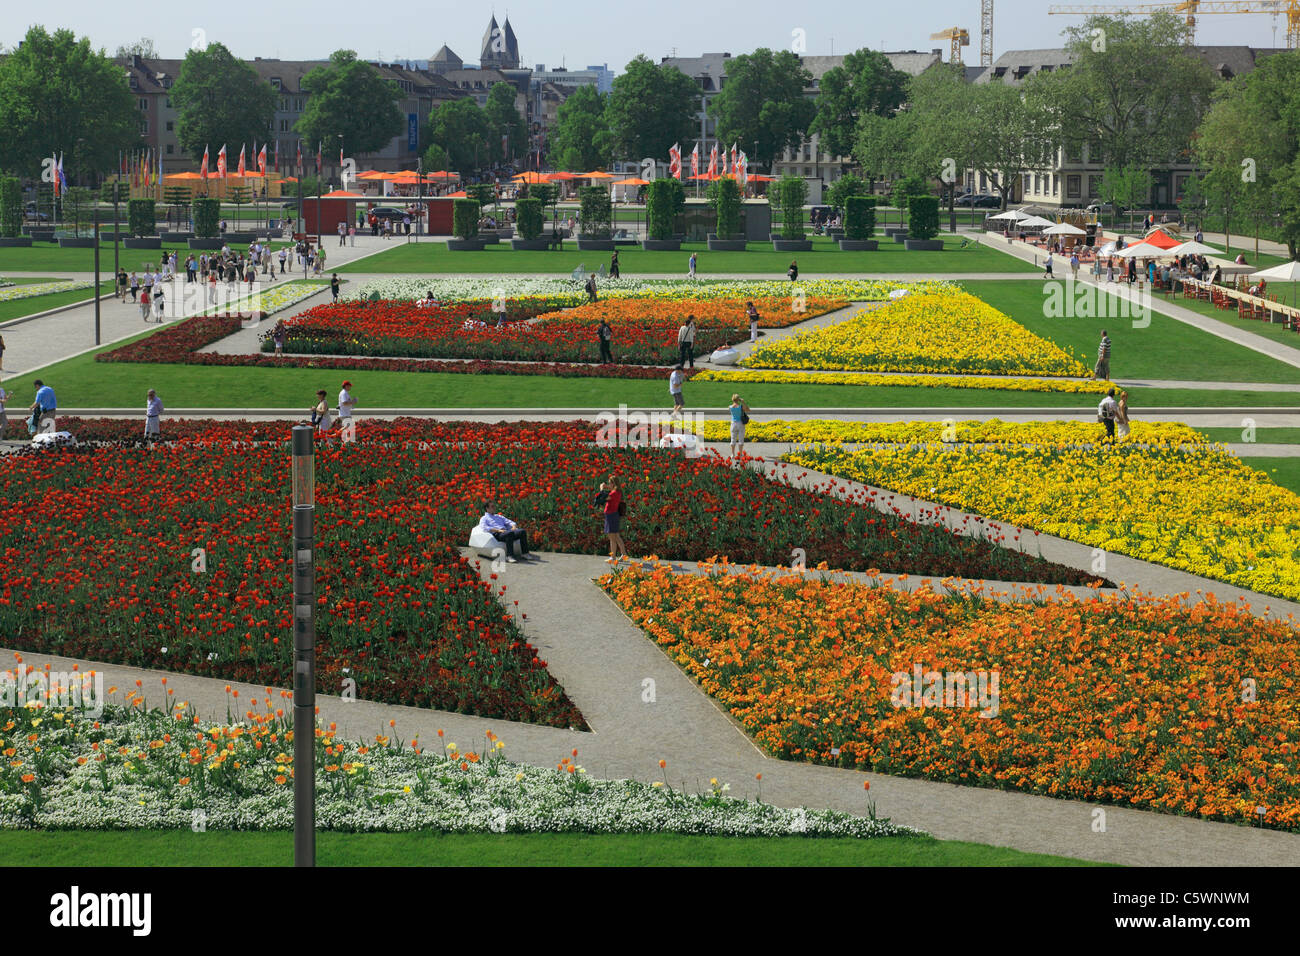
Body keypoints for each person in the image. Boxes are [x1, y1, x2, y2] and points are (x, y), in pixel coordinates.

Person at [595, 477, 629, 564]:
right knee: (616, 536)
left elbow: (603, 498)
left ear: (613, 484)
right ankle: (624, 554)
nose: (608, 485)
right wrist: (606, 487)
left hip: (611, 516)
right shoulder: (616, 492)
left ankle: (613, 557)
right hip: (612, 515)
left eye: (609, 483)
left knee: (612, 537)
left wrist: (602, 489)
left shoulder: (614, 493)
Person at [728, 393, 750, 459]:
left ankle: (732, 454)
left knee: (733, 439)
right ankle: (740, 454)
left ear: (732, 399)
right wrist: (743, 402)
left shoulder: (730, 407)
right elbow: (748, 409)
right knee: (741, 439)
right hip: (740, 423)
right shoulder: (740, 407)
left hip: (733, 423)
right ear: (738, 399)